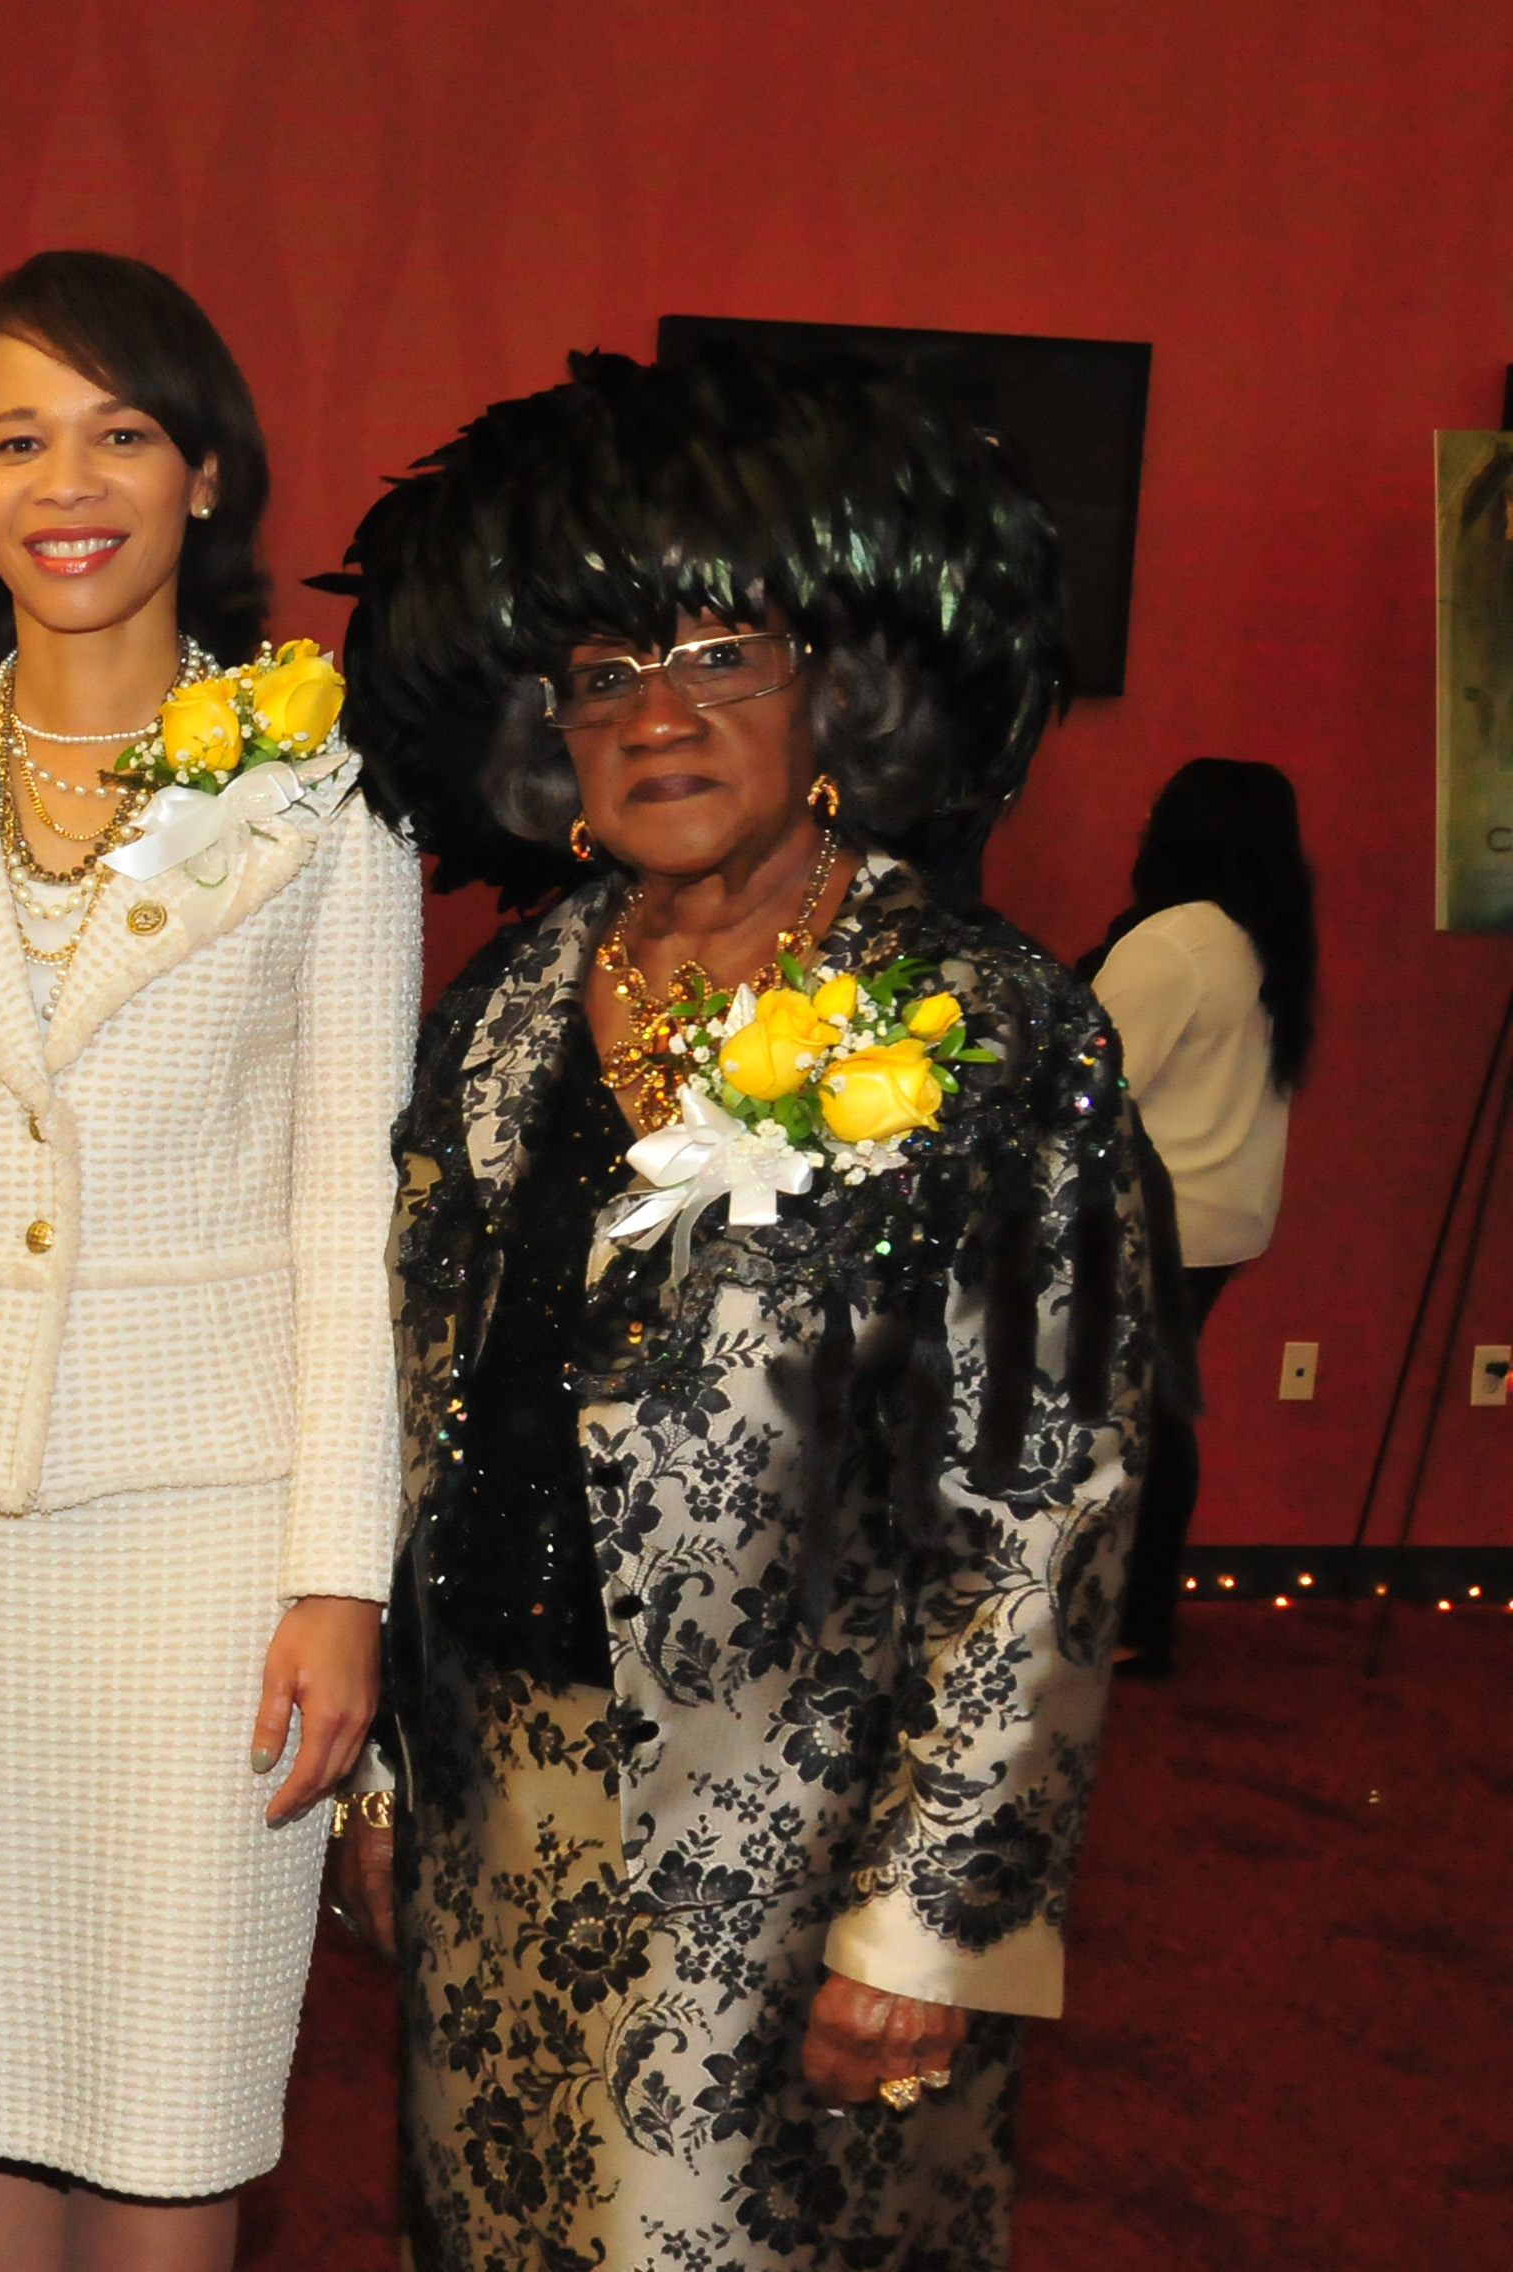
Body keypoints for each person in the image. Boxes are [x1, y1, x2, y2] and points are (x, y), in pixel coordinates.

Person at [329, 344, 1161, 2271]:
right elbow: (417, 1408)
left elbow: (1050, 1503)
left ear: (830, 696)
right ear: (549, 737)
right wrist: (387, 1774)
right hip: (493, 1817)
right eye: (604, 676)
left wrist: (930, 1908)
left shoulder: (985, 1028)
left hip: (798, 1850)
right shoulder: (501, 1012)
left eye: (717, 655)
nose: (658, 716)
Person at [0, 253, 415, 2272]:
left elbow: (345, 1213)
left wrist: (337, 1569)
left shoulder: (319, 794)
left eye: (120, 429)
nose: (68, 480)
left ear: (204, 473)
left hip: (202, 1550)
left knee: (174, 2089)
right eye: (17, 436)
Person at [1087, 757, 1310, 1676]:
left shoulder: (1179, 937)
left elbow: (1088, 1076)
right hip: (1223, 1217)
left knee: (1125, 1424)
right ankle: (1138, 1622)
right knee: (1152, 1415)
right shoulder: (1265, 938)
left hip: (1156, 1213)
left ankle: (1132, 1625)